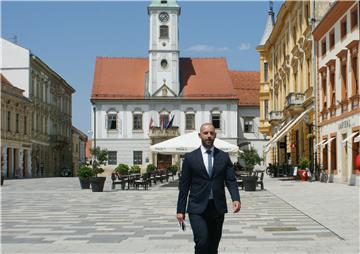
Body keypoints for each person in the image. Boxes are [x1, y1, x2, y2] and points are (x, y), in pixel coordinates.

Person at [176, 123, 241, 254]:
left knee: (213, 245)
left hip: (217, 207)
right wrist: (180, 210)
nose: (209, 136)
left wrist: (236, 198)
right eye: (206, 133)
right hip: (197, 208)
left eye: (211, 133)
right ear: (200, 135)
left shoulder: (223, 156)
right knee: (202, 241)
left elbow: (230, 180)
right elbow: (184, 186)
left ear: (215, 136)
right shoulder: (190, 158)